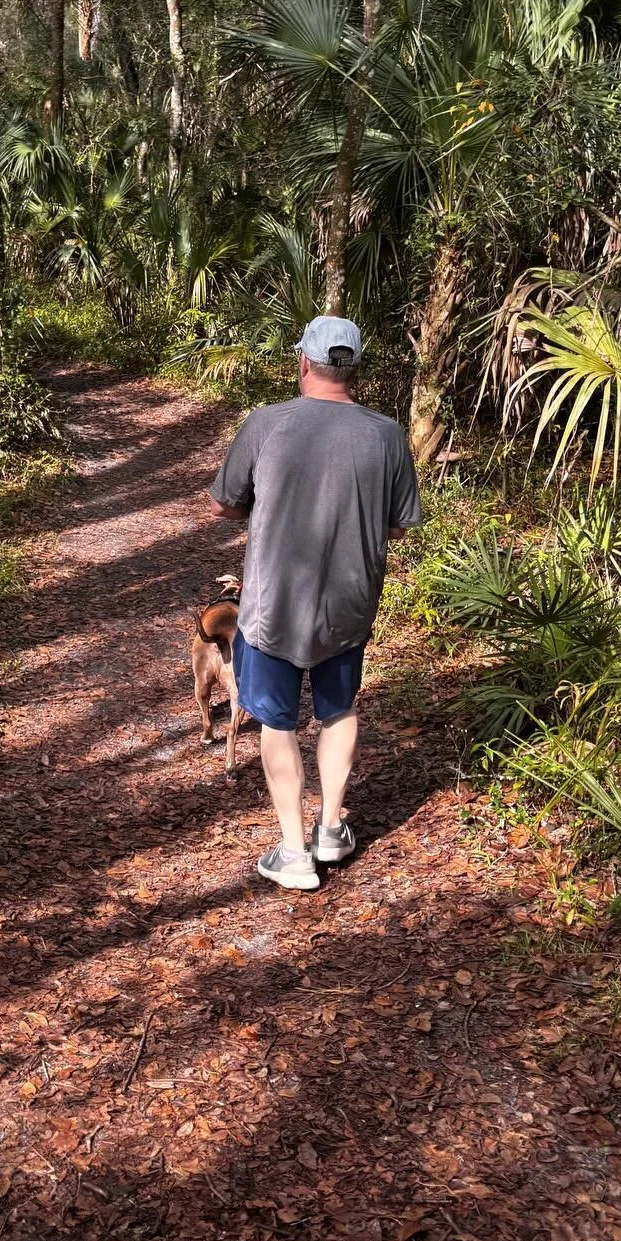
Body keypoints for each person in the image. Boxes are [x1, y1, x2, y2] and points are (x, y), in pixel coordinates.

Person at [208, 316, 422, 890]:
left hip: (273, 603)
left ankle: (293, 850)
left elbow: (226, 504)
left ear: (303, 362)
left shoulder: (266, 424)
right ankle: (331, 828)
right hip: (349, 602)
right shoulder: (387, 435)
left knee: (276, 721)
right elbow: (401, 524)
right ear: (355, 368)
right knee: (338, 708)